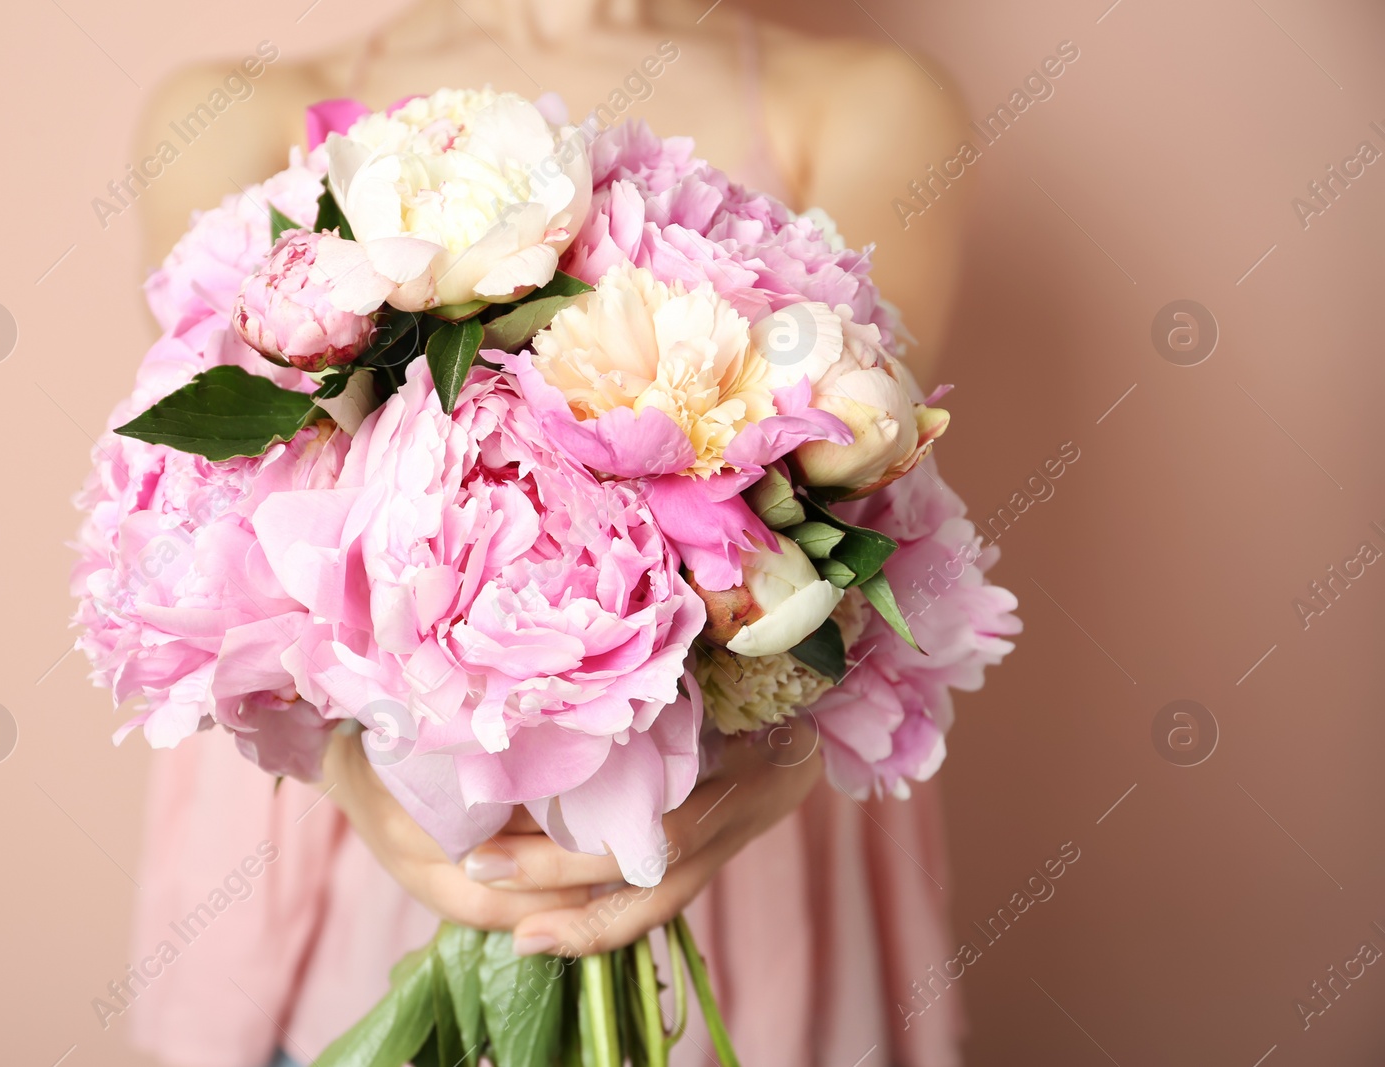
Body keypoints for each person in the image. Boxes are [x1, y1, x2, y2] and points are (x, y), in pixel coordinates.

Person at [129, 2, 970, 1064]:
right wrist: (357, 773)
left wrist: (788, 757)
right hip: (349, 889)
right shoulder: (225, 117)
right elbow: (229, 534)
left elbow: (863, 506)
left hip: (730, 879)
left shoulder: (871, 107)